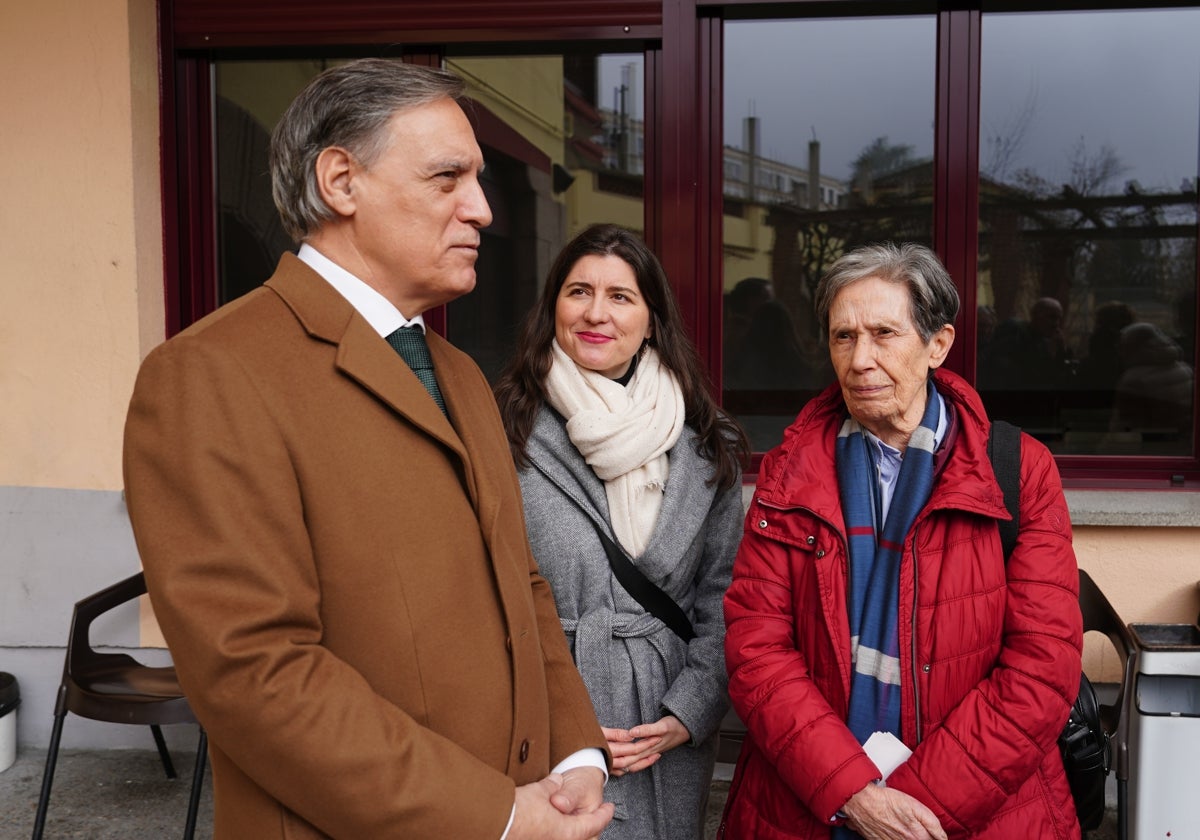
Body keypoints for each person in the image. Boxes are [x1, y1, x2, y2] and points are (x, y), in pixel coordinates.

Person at [123, 59, 613, 840]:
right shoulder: (209, 374)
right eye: (447, 177)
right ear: (342, 182)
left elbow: (521, 582)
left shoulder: (456, 373)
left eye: (478, 179)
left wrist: (575, 750)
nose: (482, 209)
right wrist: (493, 815)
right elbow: (255, 673)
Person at [720, 243, 1083, 839]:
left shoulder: (1016, 469)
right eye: (843, 337)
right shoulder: (790, 473)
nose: (860, 359)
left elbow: (1042, 668)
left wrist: (915, 809)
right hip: (808, 804)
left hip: (975, 813)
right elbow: (757, 648)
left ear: (937, 345)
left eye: (883, 333)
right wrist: (852, 793)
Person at [494, 223, 749, 839]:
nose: (596, 313)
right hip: (546, 723)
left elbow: (728, 596)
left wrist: (689, 712)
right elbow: (478, 595)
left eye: (621, 296)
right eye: (579, 291)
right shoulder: (503, 431)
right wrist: (557, 718)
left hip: (665, 730)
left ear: (652, 319)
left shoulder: (706, 443)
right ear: (553, 305)